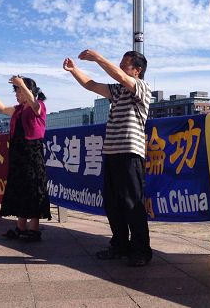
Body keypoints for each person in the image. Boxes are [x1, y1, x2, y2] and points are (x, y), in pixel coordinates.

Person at [63, 49, 152, 267]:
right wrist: (74, 70)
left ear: (137, 71)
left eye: (125, 64)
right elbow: (91, 85)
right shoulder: (118, 90)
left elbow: (121, 77)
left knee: (132, 202)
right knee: (113, 203)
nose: (121, 68)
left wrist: (99, 58)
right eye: (120, 63)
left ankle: (141, 250)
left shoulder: (141, 88)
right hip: (111, 153)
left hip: (130, 152)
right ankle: (120, 245)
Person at [0, 76, 51, 241]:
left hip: (32, 153)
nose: (16, 94)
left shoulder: (39, 106)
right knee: (20, 189)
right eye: (16, 91)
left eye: (18, 91)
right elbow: (1, 109)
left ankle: (34, 230)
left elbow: (34, 104)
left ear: (27, 91)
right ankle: (20, 227)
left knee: (33, 189)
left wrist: (22, 83)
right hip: (18, 153)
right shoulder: (18, 109)